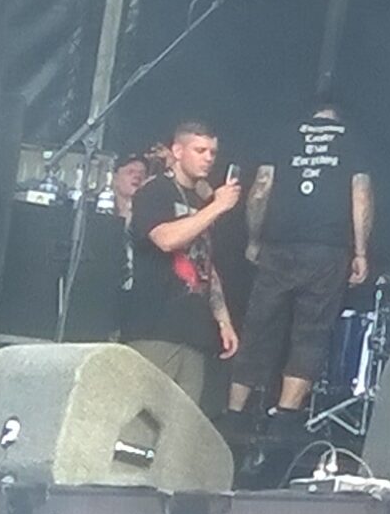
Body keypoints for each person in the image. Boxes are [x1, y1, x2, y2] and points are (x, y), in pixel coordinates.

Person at [227, 97, 373, 438]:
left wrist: (254, 238)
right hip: (326, 250)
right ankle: (284, 421)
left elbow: (260, 189)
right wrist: (361, 251)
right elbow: (361, 194)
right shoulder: (351, 139)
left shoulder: (284, 135)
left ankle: (234, 416)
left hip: (278, 245)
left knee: (258, 328)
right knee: (311, 334)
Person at [124, 121, 242, 405]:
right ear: (177, 151)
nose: (208, 158)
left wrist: (223, 320)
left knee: (183, 422)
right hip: (155, 328)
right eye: (200, 150)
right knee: (145, 415)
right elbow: (165, 239)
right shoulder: (156, 191)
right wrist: (218, 206)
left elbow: (205, 262)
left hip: (194, 332)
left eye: (212, 152)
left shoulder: (201, 200)